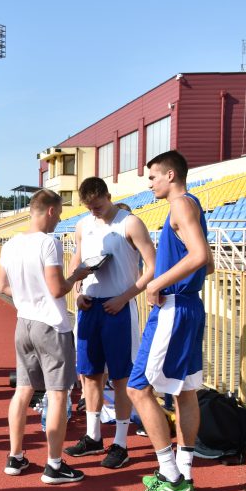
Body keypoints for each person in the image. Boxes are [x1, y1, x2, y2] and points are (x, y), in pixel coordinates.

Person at [127, 150, 213, 491]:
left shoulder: (180, 205)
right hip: (190, 306)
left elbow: (200, 257)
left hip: (175, 309)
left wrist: (155, 283)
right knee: (186, 391)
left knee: (137, 389)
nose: (149, 184)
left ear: (171, 175)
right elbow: (205, 266)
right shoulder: (191, 205)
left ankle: (169, 475)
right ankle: (185, 472)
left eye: (153, 177)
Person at [0, 189, 92, 483]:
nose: (59, 219)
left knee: (23, 390)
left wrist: (28, 296)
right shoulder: (48, 243)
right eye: (59, 213)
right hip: (50, 325)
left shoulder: (10, 244)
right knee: (57, 394)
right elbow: (56, 289)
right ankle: (53, 464)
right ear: (50, 211)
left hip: (23, 322)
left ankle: (15, 456)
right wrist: (78, 275)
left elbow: (2, 286)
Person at [63, 177, 155, 469]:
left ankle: (121, 443)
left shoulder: (130, 223)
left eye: (98, 206)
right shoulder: (83, 226)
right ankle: (92, 437)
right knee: (89, 374)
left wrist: (125, 297)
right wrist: (77, 293)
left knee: (120, 377)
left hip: (119, 307)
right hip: (90, 306)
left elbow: (152, 267)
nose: (94, 212)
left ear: (109, 196)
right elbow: (75, 264)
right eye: (89, 208)